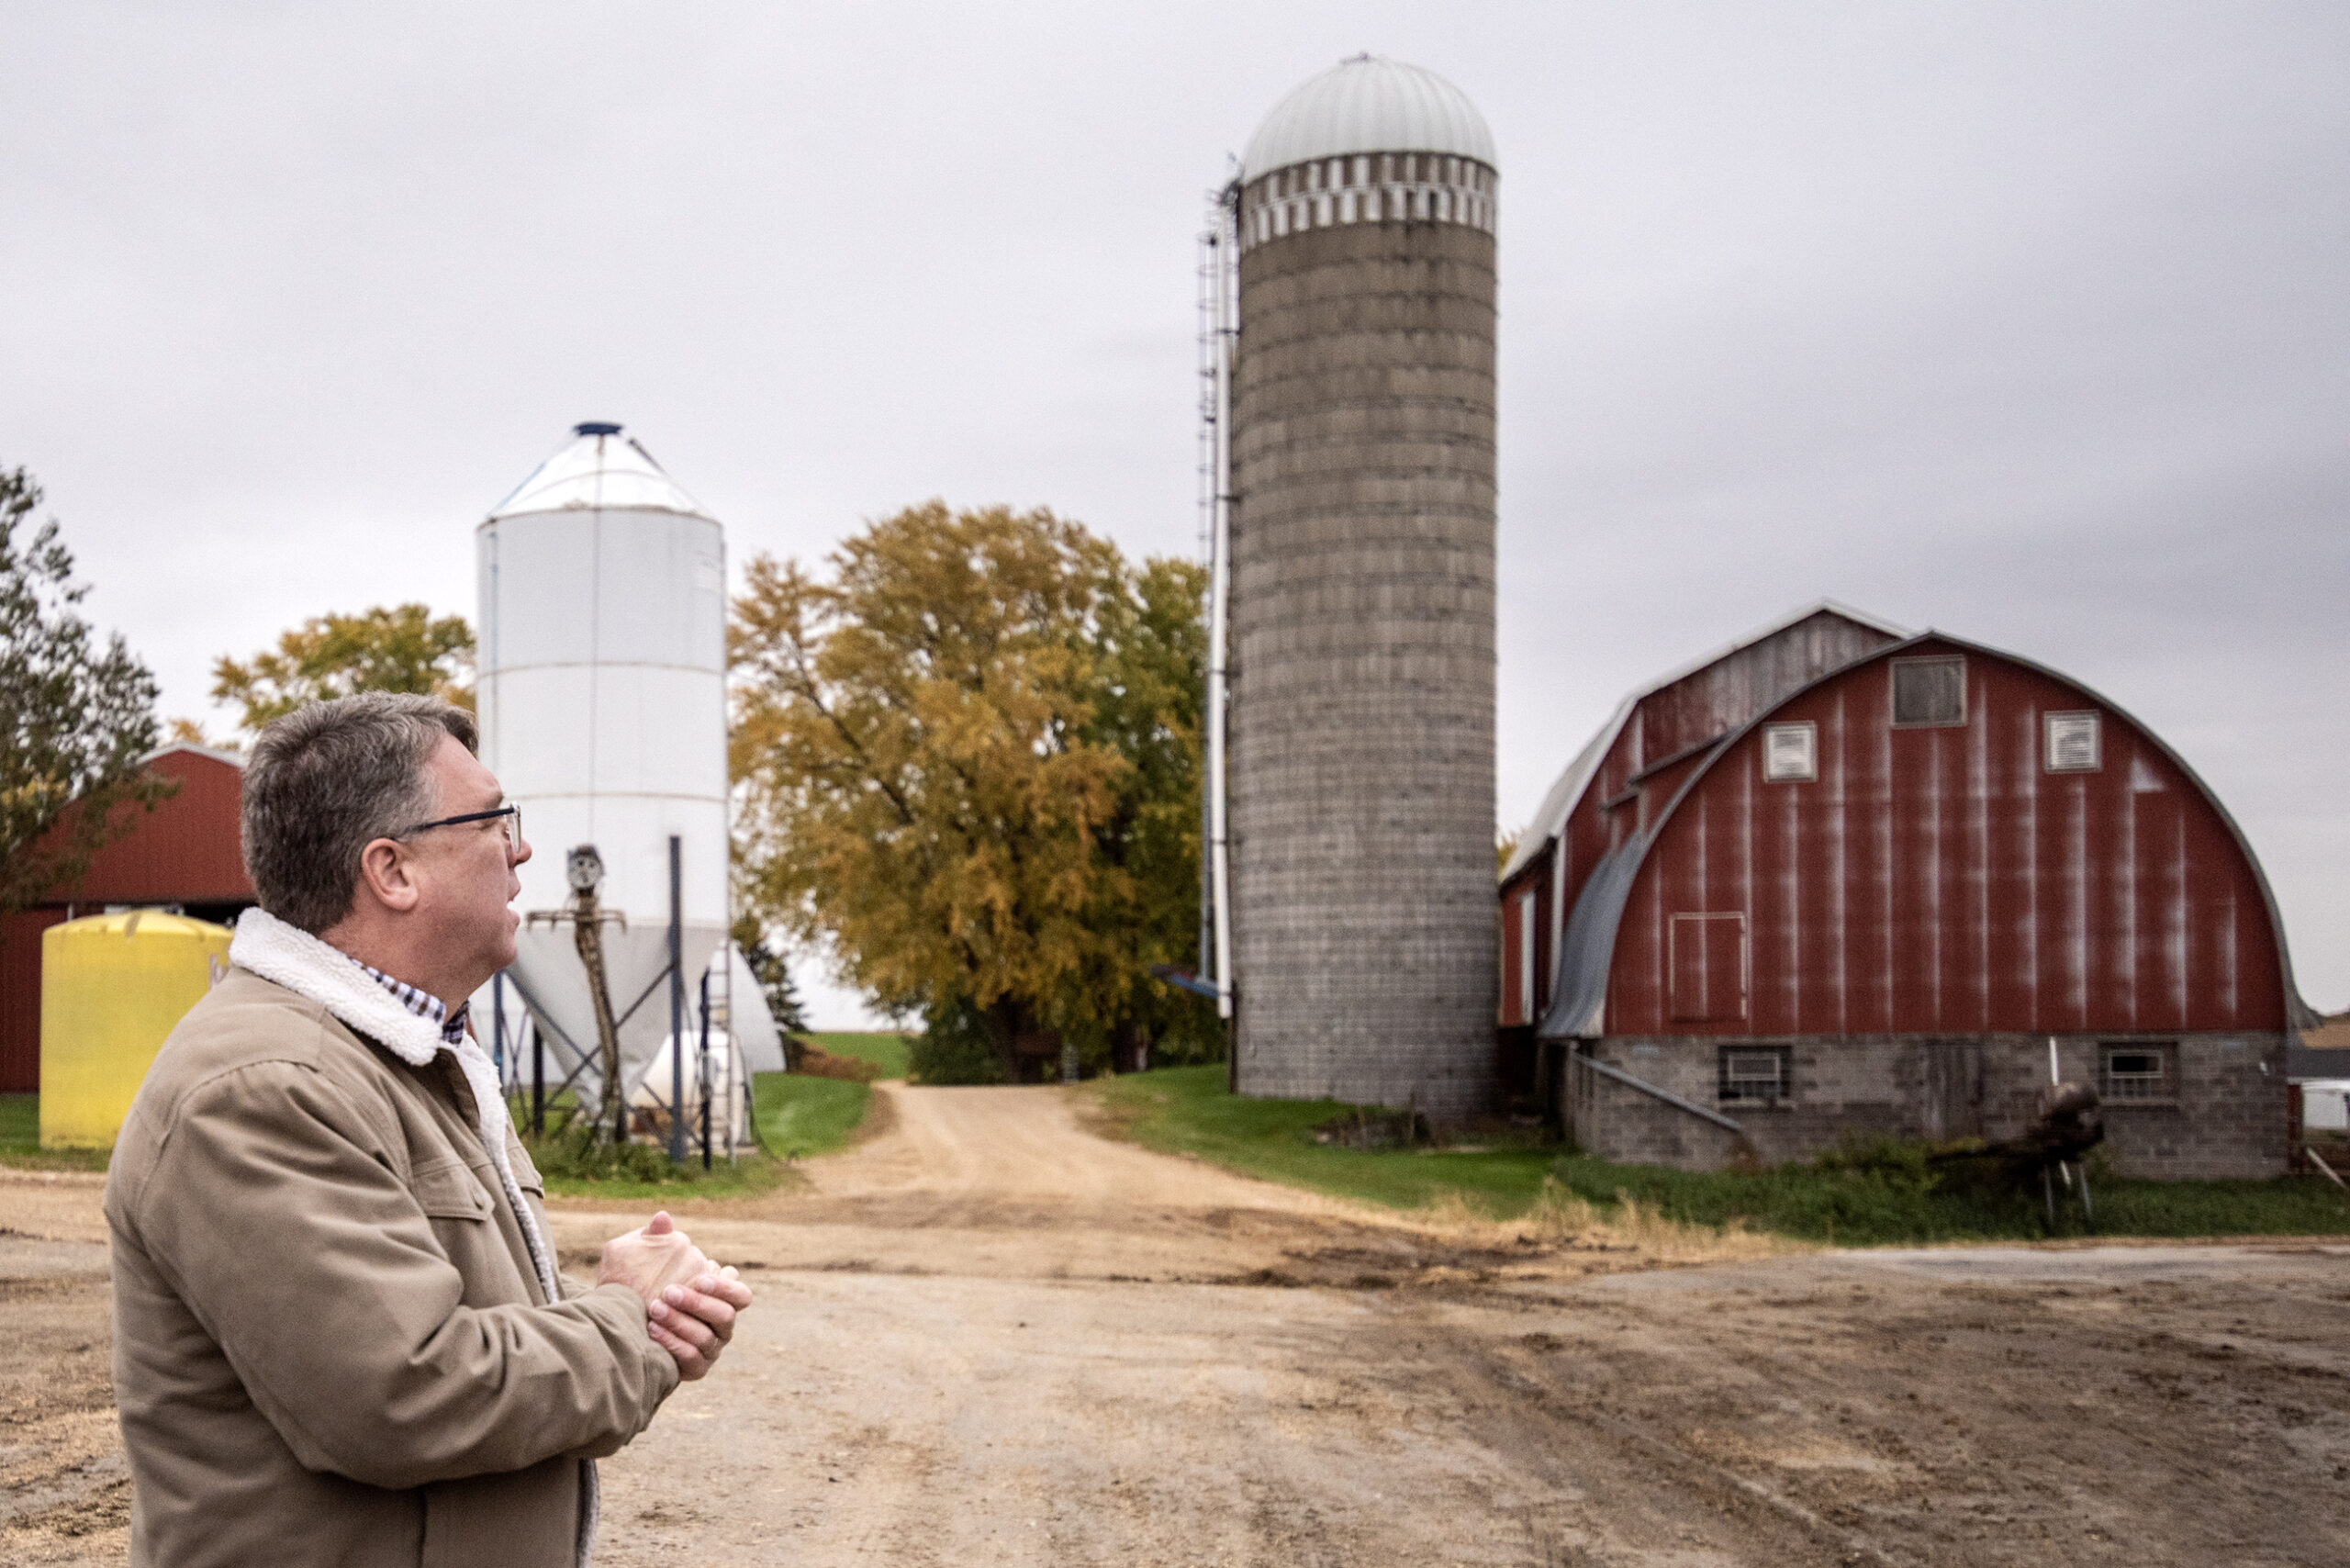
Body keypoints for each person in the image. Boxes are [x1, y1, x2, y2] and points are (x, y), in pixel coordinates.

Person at [104, 692, 752, 1568]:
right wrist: (630, 1323)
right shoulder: (264, 1084)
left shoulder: (403, 1057)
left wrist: (652, 1319)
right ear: (393, 871)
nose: (521, 849)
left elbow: (463, 1312)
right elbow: (403, 1393)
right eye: (493, 821)